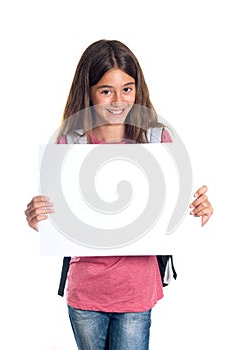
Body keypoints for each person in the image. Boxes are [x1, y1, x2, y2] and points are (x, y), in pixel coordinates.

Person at [25, 39, 213, 350]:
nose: (118, 100)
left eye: (127, 88)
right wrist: (37, 217)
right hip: (85, 289)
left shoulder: (156, 139)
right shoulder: (70, 143)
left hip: (136, 290)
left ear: (138, 90)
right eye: (105, 90)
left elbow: (175, 214)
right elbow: (56, 221)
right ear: (88, 91)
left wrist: (198, 211)